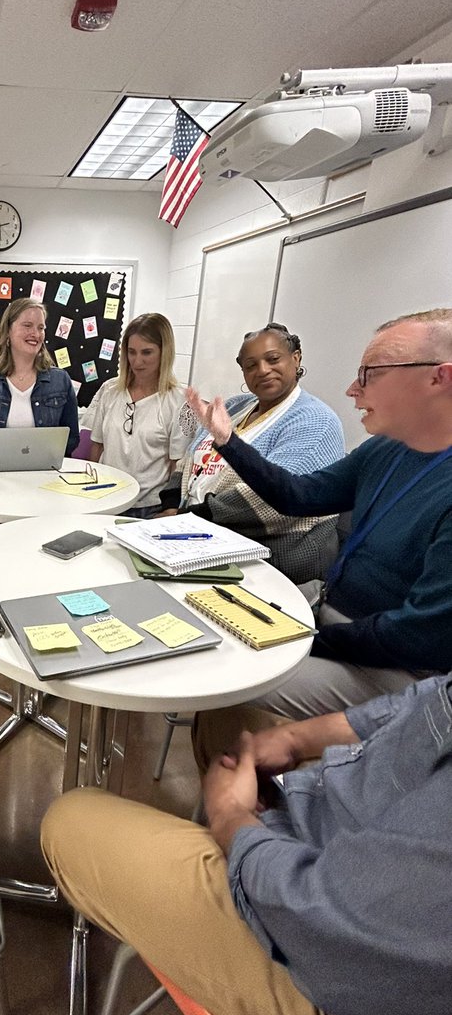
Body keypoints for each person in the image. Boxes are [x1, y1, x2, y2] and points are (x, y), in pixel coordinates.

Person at [41, 671, 452, 1015]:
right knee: (226, 725)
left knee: (69, 821)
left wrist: (232, 818)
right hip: (364, 856)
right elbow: (437, 697)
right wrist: (295, 738)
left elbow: (327, 919)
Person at [188, 308, 452, 763]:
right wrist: (229, 442)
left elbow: (419, 636)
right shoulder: (388, 448)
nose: (354, 389)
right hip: (334, 620)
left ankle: (244, 817)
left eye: (371, 374)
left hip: (398, 667)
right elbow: (298, 494)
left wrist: (307, 638)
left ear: (439, 378)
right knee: (213, 626)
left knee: (228, 676)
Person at [157, 322, 345, 581]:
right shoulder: (235, 406)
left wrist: (190, 517)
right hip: (195, 535)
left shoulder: (316, 421)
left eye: (273, 359)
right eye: (251, 365)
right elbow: (192, 457)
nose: (263, 370)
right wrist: (170, 502)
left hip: (269, 561)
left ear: (296, 358)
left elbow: (275, 500)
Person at [83, 312, 188, 517]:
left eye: (147, 353)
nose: (137, 361)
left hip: (149, 507)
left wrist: (171, 510)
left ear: (164, 353)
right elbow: (97, 446)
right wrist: (86, 494)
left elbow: (179, 464)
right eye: (132, 352)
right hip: (105, 500)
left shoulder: (178, 401)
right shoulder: (110, 390)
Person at [0, 297, 80, 459]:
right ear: (8, 331)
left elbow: (72, 439)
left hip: (46, 475)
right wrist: (9, 453)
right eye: (27, 325)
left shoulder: (61, 381)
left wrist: (35, 454)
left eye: (41, 328)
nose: (36, 334)